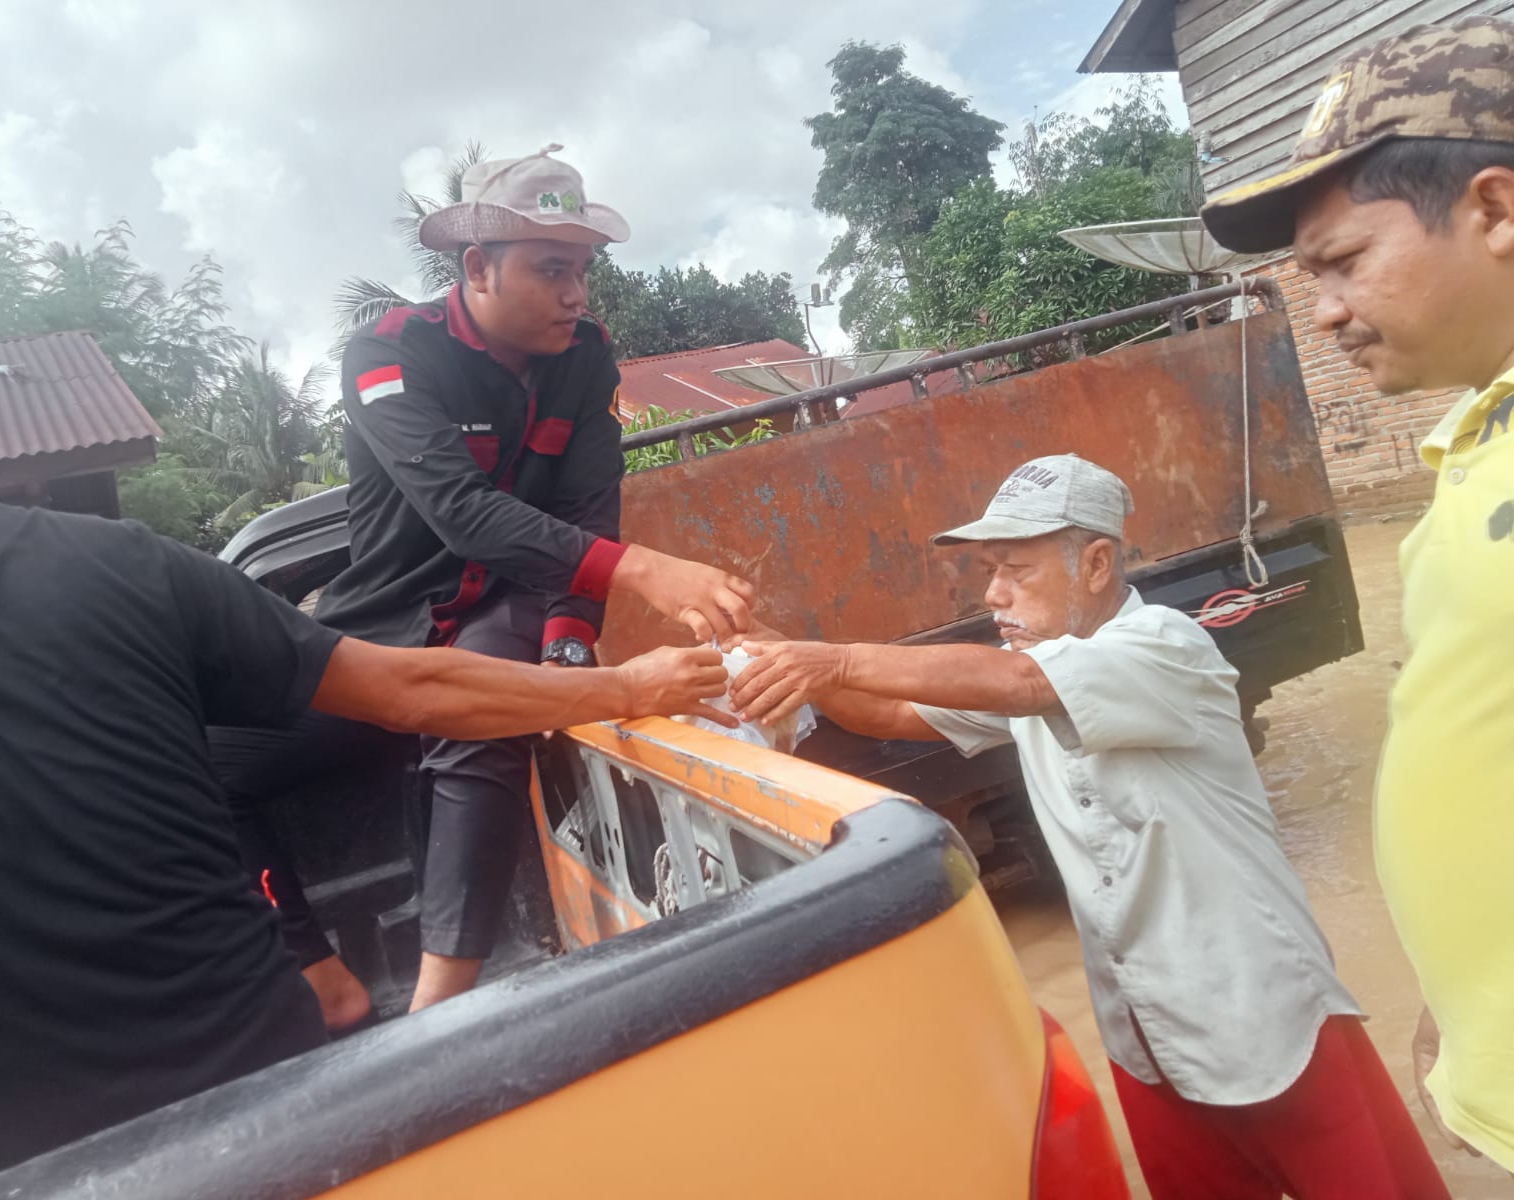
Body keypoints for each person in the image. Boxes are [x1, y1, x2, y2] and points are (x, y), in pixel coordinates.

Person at [0, 317, 732, 1197]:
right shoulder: (120, 566)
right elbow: (419, 691)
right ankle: (349, 992)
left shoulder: (570, 375)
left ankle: (409, 1006)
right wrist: (630, 689)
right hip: (272, 1121)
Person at [729, 455, 1448, 1200]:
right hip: (1146, 1038)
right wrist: (768, 646)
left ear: (1097, 563)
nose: (993, 594)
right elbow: (885, 715)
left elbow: (1025, 686)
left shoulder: (1164, 646)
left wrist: (833, 656)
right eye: (986, 571)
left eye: (1015, 569)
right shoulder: (1033, 670)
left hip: (1266, 1015)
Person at [212, 144, 756, 1022]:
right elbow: (460, 513)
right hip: (384, 634)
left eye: (582, 271)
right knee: (201, 764)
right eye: (551, 271)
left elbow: (590, 507)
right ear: (476, 267)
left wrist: (569, 645)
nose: (577, 295)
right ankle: (320, 973)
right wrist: (648, 571)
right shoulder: (389, 352)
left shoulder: (587, 357)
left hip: (509, 610)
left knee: (494, 691)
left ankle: (436, 1019)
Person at [1200, 15, 1514, 1173]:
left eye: (1341, 262)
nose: (1321, 311)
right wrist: (1458, 1000)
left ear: (1491, 211)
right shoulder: (1472, 444)